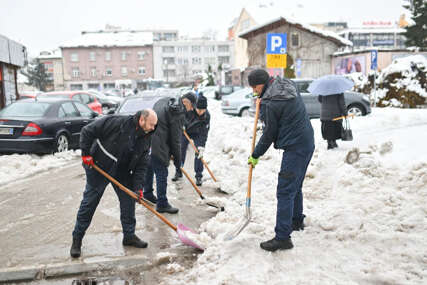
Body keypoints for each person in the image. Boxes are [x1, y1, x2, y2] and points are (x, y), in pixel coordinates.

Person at [70, 109, 158, 258]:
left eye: (154, 125)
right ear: (142, 120)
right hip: (99, 165)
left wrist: (138, 188)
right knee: (89, 203)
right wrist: (85, 154)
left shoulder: (147, 137)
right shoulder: (117, 122)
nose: (153, 128)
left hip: (122, 170)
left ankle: (129, 236)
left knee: (128, 201)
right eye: (151, 124)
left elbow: (142, 165)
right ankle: (77, 239)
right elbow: (87, 131)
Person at [247, 69, 315, 252]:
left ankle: (283, 237)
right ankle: (296, 220)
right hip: (307, 142)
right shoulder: (287, 84)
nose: (254, 90)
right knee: (296, 185)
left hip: (295, 147)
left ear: (262, 83)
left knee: (285, 191)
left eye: (255, 87)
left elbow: (270, 133)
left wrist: (255, 154)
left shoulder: (271, 102)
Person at [143, 96, 185, 214]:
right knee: (161, 172)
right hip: (159, 144)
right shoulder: (177, 113)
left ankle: (147, 193)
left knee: (150, 167)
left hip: (149, 140)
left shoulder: (164, 101)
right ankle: (162, 203)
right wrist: (178, 163)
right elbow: (176, 141)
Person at [172, 94, 210, 186]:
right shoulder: (188, 110)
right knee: (181, 150)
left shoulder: (206, 116)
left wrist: (202, 146)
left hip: (198, 134)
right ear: (195, 107)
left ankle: (198, 176)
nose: (200, 112)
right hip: (186, 132)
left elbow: (204, 132)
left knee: (198, 153)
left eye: (203, 110)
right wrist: (182, 125)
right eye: (199, 109)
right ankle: (179, 171)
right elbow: (180, 118)